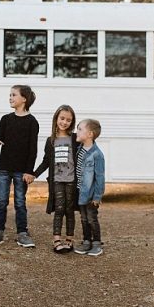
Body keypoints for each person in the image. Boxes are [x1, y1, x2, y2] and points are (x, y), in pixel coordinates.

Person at [0, 85, 39, 248]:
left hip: (21, 171)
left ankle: (22, 233)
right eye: (9, 95)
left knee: (20, 202)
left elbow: (33, 150)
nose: (10, 97)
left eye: (13, 95)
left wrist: (29, 171)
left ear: (24, 99)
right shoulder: (6, 119)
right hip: (4, 169)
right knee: (1, 201)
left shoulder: (32, 122)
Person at [32, 104, 78, 253]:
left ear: (72, 122)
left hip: (71, 180)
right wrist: (34, 174)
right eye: (62, 118)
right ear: (56, 119)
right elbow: (46, 161)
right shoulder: (50, 140)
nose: (64, 122)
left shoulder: (75, 139)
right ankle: (57, 240)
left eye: (68, 120)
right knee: (59, 209)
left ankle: (69, 240)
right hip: (57, 180)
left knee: (69, 210)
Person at [73, 119, 105, 256]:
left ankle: (96, 243)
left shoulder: (97, 154)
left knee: (92, 218)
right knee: (83, 218)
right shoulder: (79, 150)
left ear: (90, 134)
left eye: (80, 129)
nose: (76, 131)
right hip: (81, 192)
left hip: (91, 194)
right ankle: (87, 241)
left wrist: (97, 196)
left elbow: (100, 177)